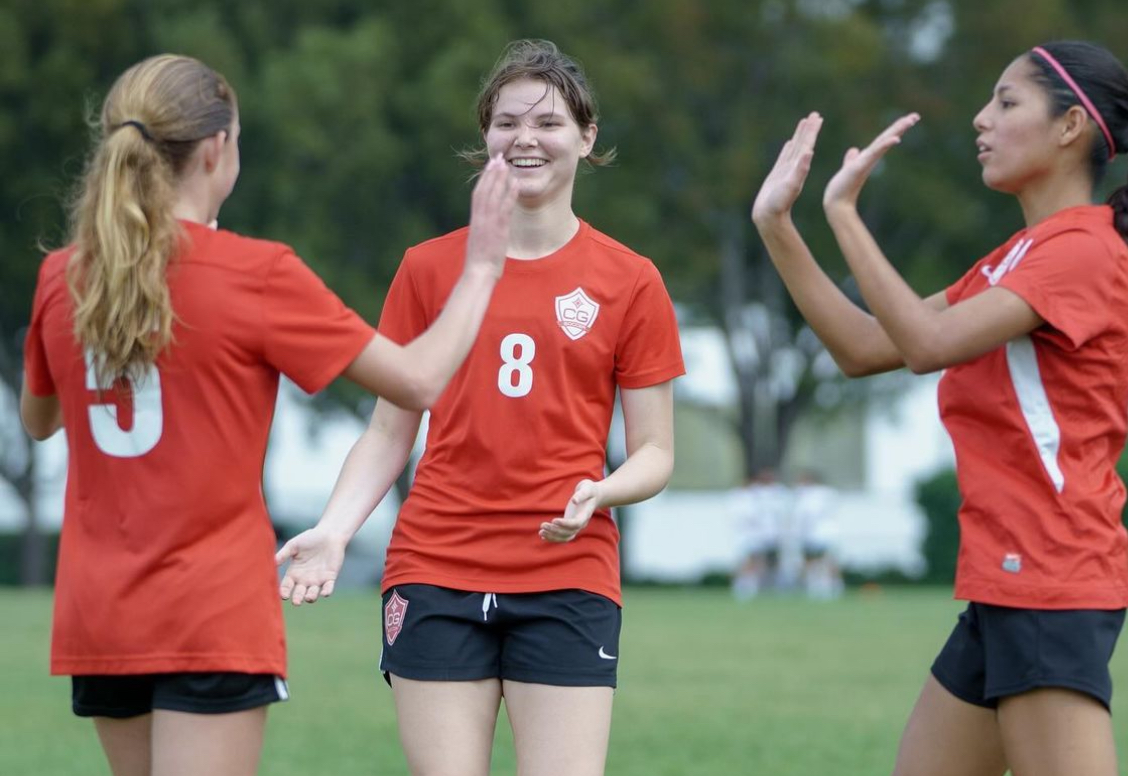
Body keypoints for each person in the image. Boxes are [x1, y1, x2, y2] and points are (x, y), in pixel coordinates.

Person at [19, 54, 517, 776]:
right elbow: (418, 379)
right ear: (217, 149)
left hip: (101, 613)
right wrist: (481, 268)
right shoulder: (254, 273)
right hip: (206, 610)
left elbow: (39, 421)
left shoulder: (62, 275)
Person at [752, 40, 1128, 776]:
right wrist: (776, 227)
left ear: (1070, 126)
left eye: (1006, 102)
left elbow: (923, 344)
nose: (981, 119)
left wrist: (844, 213)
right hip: (1006, 581)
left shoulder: (1080, 252)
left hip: (1049, 579)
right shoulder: (1018, 255)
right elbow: (866, 348)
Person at [276, 39, 684, 776]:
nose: (525, 138)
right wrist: (335, 531)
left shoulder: (630, 280)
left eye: (548, 122)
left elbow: (655, 450)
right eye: (505, 122)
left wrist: (602, 491)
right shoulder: (428, 267)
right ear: (484, 137)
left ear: (587, 138)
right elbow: (387, 430)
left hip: (567, 575)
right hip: (435, 566)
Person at [731, 468, 791, 600]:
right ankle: (744, 587)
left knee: (770, 561)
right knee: (751, 560)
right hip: (752, 533)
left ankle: (772, 586)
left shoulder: (776, 493)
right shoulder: (748, 495)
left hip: (770, 534)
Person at [791, 470, 843, 600]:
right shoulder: (825, 493)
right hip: (817, 534)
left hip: (819, 533)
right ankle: (819, 586)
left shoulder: (813, 495)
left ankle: (827, 586)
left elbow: (808, 516)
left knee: (822, 560)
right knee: (817, 561)